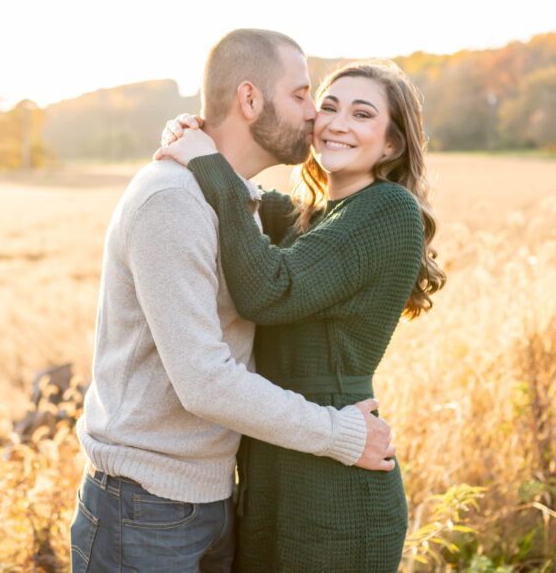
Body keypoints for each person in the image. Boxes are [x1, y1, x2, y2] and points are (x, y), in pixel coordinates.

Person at [70, 30, 397, 573]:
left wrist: (203, 156)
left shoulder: (234, 199)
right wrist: (337, 433)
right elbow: (206, 380)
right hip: (145, 505)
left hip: (209, 498)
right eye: (302, 95)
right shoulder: (172, 200)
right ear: (249, 100)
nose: (315, 116)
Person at [156, 60, 445, 572]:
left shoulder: (388, 210)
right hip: (275, 462)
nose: (336, 122)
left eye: (361, 114)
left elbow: (269, 290)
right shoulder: (309, 215)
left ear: (392, 145)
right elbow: (242, 201)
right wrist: (196, 140)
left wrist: (208, 164)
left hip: (336, 479)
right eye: (327, 106)